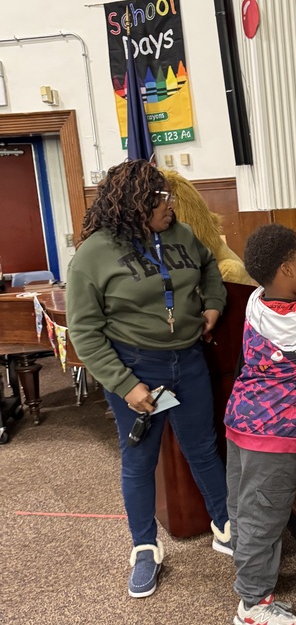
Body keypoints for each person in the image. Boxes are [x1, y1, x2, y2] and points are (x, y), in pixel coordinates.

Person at [67, 160, 231, 599]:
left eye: (168, 197)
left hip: (189, 360)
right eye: (159, 199)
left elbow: (210, 269)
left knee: (202, 446)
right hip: (137, 368)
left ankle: (226, 525)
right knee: (139, 460)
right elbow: (85, 332)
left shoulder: (180, 235)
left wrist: (212, 304)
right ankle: (144, 548)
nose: (169, 206)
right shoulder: (93, 253)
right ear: (132, 204)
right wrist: (126, 385)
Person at [224, 224, 296, 625]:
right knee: (265, 515)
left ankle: (247, 572)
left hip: (239, 419)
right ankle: (253, 604)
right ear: (285, 268)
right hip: (276, 434)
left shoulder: (254, 301)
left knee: (244, 508)